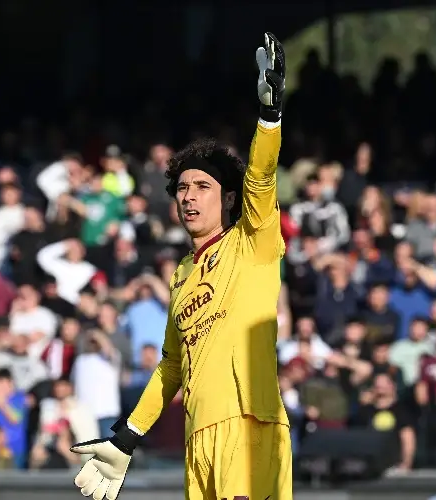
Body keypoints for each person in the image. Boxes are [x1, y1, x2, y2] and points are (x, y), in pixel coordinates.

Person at [70, 32, 292, 500]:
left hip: (249, 424)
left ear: (228, 197)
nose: (188, 196)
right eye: (182, 188)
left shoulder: (253, 241)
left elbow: (261, 178)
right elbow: (171, 365)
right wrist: (129, 434)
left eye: (202, 186)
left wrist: (269, 119)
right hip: (198, 439)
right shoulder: (182, 274)